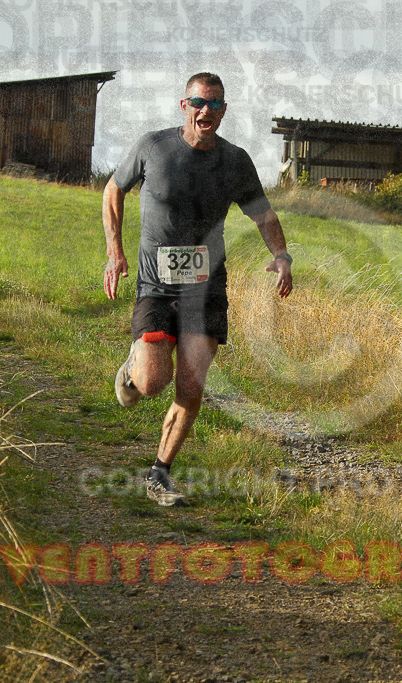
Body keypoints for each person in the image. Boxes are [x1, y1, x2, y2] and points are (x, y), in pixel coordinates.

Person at [102, 72, 293, 507]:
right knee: (153, 383)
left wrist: (282, 255)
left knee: (191, 387)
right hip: (156, 284)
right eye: (198, 103)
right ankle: (134, 367)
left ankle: (159, 474)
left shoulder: (235, 161)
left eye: (215, 104)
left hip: (207, 287)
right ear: (184, 106)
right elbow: (114, 189)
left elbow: (262, 214)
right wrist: (115, 251)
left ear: (224, 111)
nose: (206, 111)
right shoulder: (154, 147)